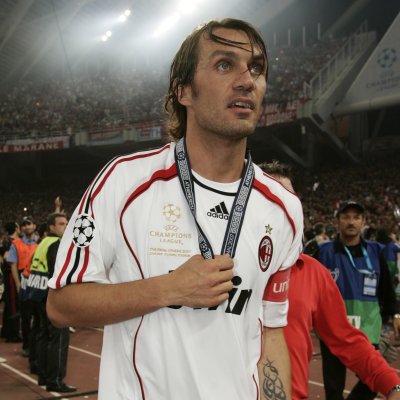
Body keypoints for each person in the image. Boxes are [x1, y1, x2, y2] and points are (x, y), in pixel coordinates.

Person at [47, 18, 303, 400]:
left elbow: (272, 334)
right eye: (224, 64)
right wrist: (170, 288)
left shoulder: (283, 209)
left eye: (256, 68)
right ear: (183, 90)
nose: (247, 80)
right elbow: (62, 304)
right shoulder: (124, 182)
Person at [260, 161, 400, 400]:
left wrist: (392, 383)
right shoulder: (223, 267)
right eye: (269, 197)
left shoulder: (313, 272)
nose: (281, 206)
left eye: (288, 199)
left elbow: (345, 338)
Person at [318, 200, 400, 400]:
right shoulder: (324, 252)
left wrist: (395, 314)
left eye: (356, 217)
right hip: (333, 330)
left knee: (372, 382)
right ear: (338, 221)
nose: (351, 222)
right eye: (346, 217)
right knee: (334, 389)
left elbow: (387, 288)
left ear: (363, 221)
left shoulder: (376, 251)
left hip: (367, 328)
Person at [26, 213, 76, 393]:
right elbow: (59, 274)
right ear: (51, 227)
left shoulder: (43, 242)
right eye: (62, 224)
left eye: (67, 223)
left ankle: (43, 375)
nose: (66, 226)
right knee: (58, 338)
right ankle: (55, 380)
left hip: (37, 293)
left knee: (43, 335)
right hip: (51, 297)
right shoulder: (57, 244)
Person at [7, 216, 39, 372]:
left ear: (34, 226)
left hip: (38, 281)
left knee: (38, 317)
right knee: (25, 317)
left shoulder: (41, 242)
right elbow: (13, 265)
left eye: (29, 224)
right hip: (24, 281)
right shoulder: (16, 244)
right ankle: (27, 345)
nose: (26, 227)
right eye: (24, 225)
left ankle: (37, 344)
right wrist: (18, 284)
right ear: (21, 228)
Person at [0, 221, 21, 343]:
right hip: (11, 276)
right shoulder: (10, 242)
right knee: (13, 304)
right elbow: (7, 259)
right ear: (15, 228)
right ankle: (13, 334)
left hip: (9, 276)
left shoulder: (7, 241)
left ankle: (6, 331)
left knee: (9, 304)